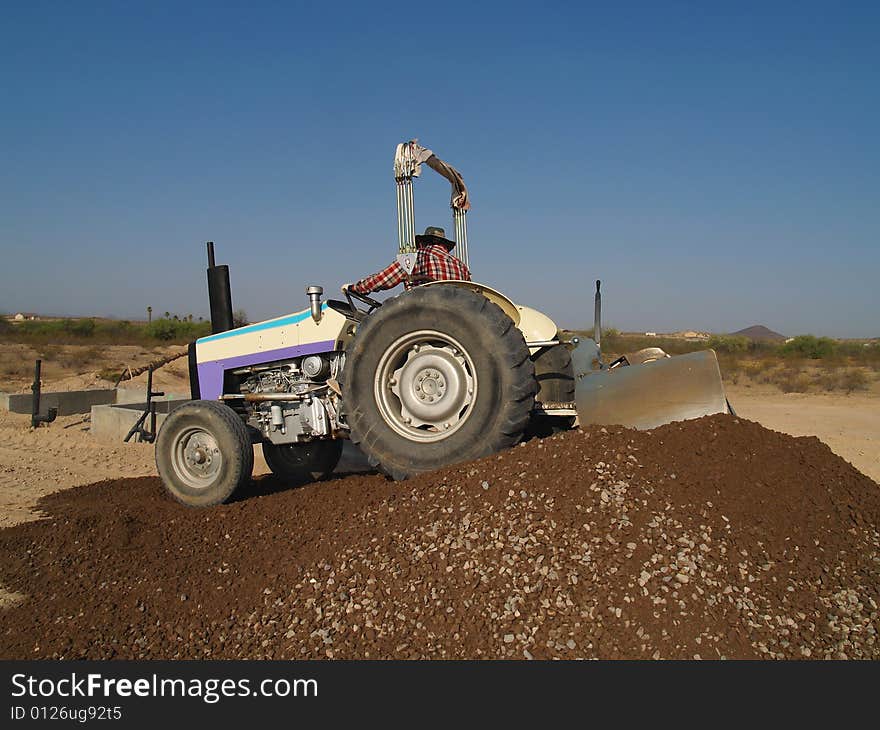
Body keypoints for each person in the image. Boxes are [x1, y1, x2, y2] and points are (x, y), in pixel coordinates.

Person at [346, 226, 471, 295]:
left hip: (424, 315)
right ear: (445, 246)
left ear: (421, 242)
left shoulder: (414, 257)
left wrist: (355, 288)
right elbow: (471, 292)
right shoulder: (462, 266)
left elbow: (383, 279)